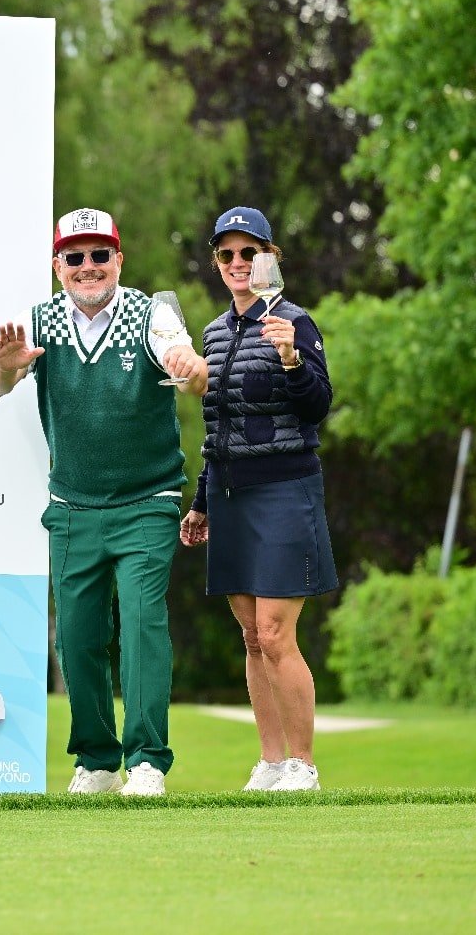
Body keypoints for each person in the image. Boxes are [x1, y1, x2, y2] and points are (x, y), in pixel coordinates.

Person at [0, 208, 206, 797]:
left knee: (139, 625)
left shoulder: (150, 313)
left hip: (146, 500)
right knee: (77, 638)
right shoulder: (41, 320)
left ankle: (148, 761)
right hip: (74, 506)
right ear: (58, 266)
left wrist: (190, 369)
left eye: (99, 255)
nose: (88, 267)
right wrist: (5, 370)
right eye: (75, 257)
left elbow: (189, 368)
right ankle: (99, 761)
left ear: (118, 260)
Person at [179, 206, 337, 792]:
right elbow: (214, 427)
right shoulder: (215, 334)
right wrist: (200, 500)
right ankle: (270, 763)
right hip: (229, 493)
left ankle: (303, 764)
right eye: (228, 254)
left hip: (285, 489)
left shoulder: (296, 321)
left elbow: (319, 405)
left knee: (275, 632)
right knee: (250, 635)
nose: (240, 263)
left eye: (251, 252)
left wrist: (293, 358)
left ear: (270, 258)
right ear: (217, 263)